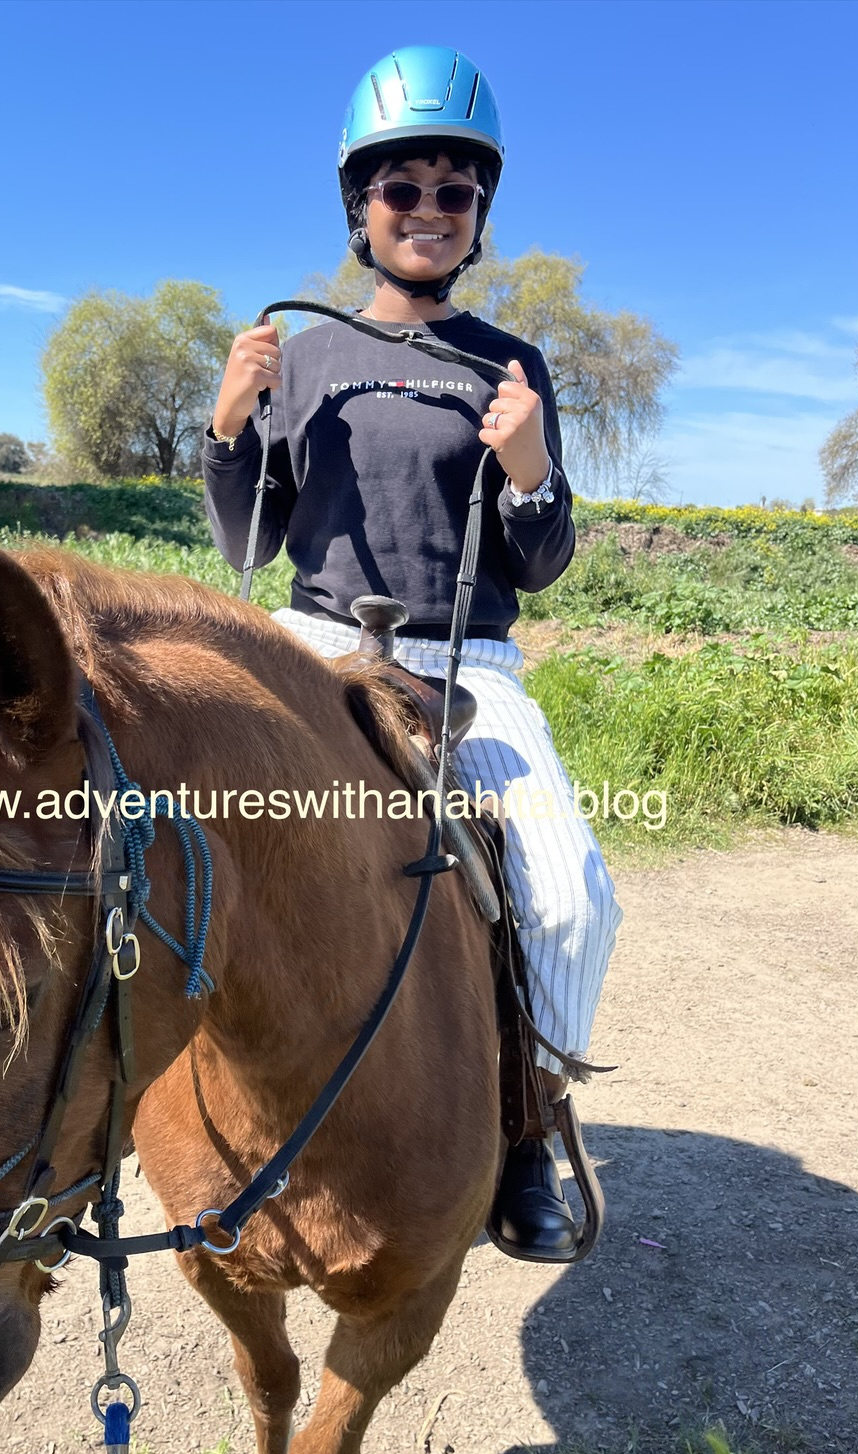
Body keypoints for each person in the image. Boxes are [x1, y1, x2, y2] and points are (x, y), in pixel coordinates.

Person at [201, 45, 622, 1262]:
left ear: (481, 215)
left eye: (455, 191)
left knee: (569, 896)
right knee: (183, 834)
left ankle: (529, 1126)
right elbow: (253, 533)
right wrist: (230, 424)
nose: (428, 211)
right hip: (317, 639)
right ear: (360, 207)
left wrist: (534, 467)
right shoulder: (301, 345)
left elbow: (539, 564)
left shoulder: (513, 365)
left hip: (469, 658)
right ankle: (145, 1102)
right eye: (404, 189)